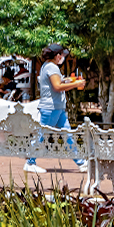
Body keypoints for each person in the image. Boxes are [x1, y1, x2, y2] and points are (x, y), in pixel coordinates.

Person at [26, 43, 87, 175]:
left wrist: (69, 81)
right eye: (62, 55)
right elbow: (57, 87)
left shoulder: (48, 66)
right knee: (42, 134)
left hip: (57, 108)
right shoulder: (52, 68)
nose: (63, 58)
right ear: (57, 55)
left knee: (67, 135)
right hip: (51, 108)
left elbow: (58, 83)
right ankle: (30, 162)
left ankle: (81, 163)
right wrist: (76, 84)